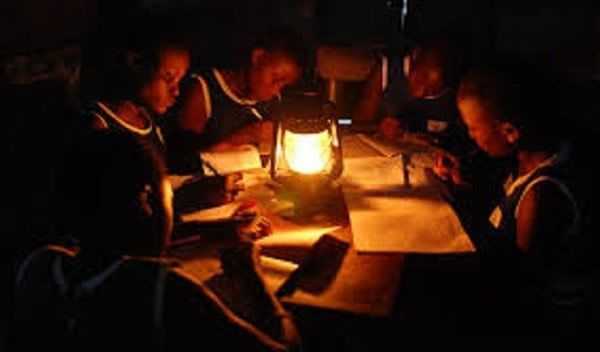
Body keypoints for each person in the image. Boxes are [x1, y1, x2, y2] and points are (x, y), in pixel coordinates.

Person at [13, 132, 300, 351]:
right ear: (147, 199)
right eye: (169, 201)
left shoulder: (39, 267)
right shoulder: (165, 291)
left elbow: (111, 243)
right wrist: (251, 276)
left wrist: (212, 230)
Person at [433, 59, 596, 335]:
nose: (471, 137)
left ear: (510, 132)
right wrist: (461, 187)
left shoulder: (542, 196)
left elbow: (516, 287)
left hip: (544, 327)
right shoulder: (529, 156)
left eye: (473, 128)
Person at [161, 26, 307, 173]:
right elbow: (183, 163)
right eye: (276, 79)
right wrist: (245, 136)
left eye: (283, 85)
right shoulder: (203, 91)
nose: (276, 90)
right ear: (258, 58)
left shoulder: (272, 101)